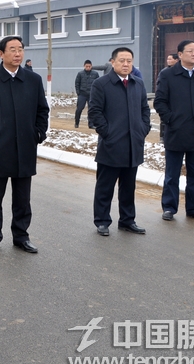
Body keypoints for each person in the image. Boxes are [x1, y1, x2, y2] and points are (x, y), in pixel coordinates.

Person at [0, 35, 49, 255]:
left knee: (23, 199)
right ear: (1, 54)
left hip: (25, 148)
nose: (18, 53)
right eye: (12, 49)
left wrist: (38, 133)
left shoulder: (33, 80)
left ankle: (21, 235)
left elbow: (42, 109)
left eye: (20, 49)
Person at [88, 47, 151, 236]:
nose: (126, 64)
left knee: (128, 186)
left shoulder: (137, 83)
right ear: (113, 62)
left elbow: (145, 110)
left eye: (129, 61)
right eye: (122, 60)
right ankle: (102, 221)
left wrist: (142, 130)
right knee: (105, 186)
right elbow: (95, 113)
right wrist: (108, 134)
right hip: (111, 145)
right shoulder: (102, 84)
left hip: (133, 144)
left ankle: (127, 220)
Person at [154, 40, 194, 222]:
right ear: (180, 54)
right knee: (172, 174)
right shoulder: (168, 75)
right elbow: (160, 102)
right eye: (190, 51)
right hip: (176, 131)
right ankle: (169, 207)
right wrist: (171, 119)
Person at [158, 53, 179, 143]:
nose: (168, 61)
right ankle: (163, 136)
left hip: (177, 101)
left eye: (170, 59)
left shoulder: (180, 71)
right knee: (164, 120)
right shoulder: (164, 72)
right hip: (166, 99)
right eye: (167, 59)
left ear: (176, 60)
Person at [74, 60, 99, 128]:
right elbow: (77, 83)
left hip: (91, 95)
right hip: (82, 94)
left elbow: (98, 84)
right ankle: (76, 122)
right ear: (84, 66)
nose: (88, 68)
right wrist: (78, 92)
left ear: (91, 66)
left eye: (89, 66)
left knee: (91, 109)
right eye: (86, 66)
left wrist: (96, 93)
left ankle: (91, 124)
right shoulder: (80, 74)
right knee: (79, 109)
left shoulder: (95, 74)